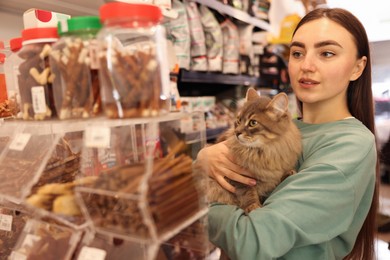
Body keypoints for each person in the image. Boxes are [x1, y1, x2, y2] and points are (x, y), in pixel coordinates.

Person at [195, 7, 379, 260]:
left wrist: (194, 199)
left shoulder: (350, 146)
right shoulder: (286, 131)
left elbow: (251, 240)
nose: (306, 65)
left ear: (358, 68)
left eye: (327, 53)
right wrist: (206, 160)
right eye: (297, 53)